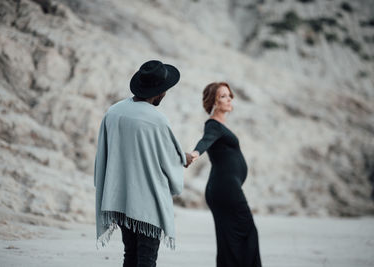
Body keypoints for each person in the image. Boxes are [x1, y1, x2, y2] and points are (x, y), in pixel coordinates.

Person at [93, 60, 194, 267]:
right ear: (160, 92)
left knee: (129, 254)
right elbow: (168, 160)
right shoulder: (156, 119)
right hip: (146, 203)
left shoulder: (113, 112)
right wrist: (184, 159)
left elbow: (109, 152)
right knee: (147, 260)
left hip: (119, 198)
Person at [190, 82, 262, 267]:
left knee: (230, 241)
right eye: (223, 96)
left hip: (223, 189)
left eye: (229, 95)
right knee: (246, 233)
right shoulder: (213, 125)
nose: (229, 98)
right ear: (214, 101)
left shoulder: (220, 126)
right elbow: (205, 141)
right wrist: (196, 153)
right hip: (225, 189)